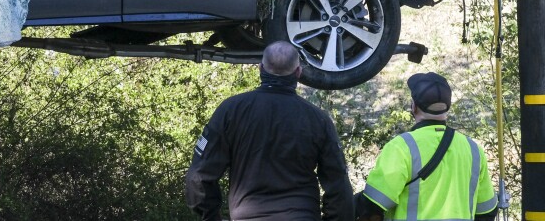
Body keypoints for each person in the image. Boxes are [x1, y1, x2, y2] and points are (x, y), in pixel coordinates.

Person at [185, 41, 354, 221]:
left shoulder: (231, 111)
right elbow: (338, 185)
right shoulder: (318, 119)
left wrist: (210, 216)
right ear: (298, 72)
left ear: (260, 69)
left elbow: (198, 176)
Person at [357, 72, 498, 221]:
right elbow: (487, 211)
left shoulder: (401, 147)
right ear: (447, 108)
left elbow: (373, 205)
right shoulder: (473, 149)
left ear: (414, 107)